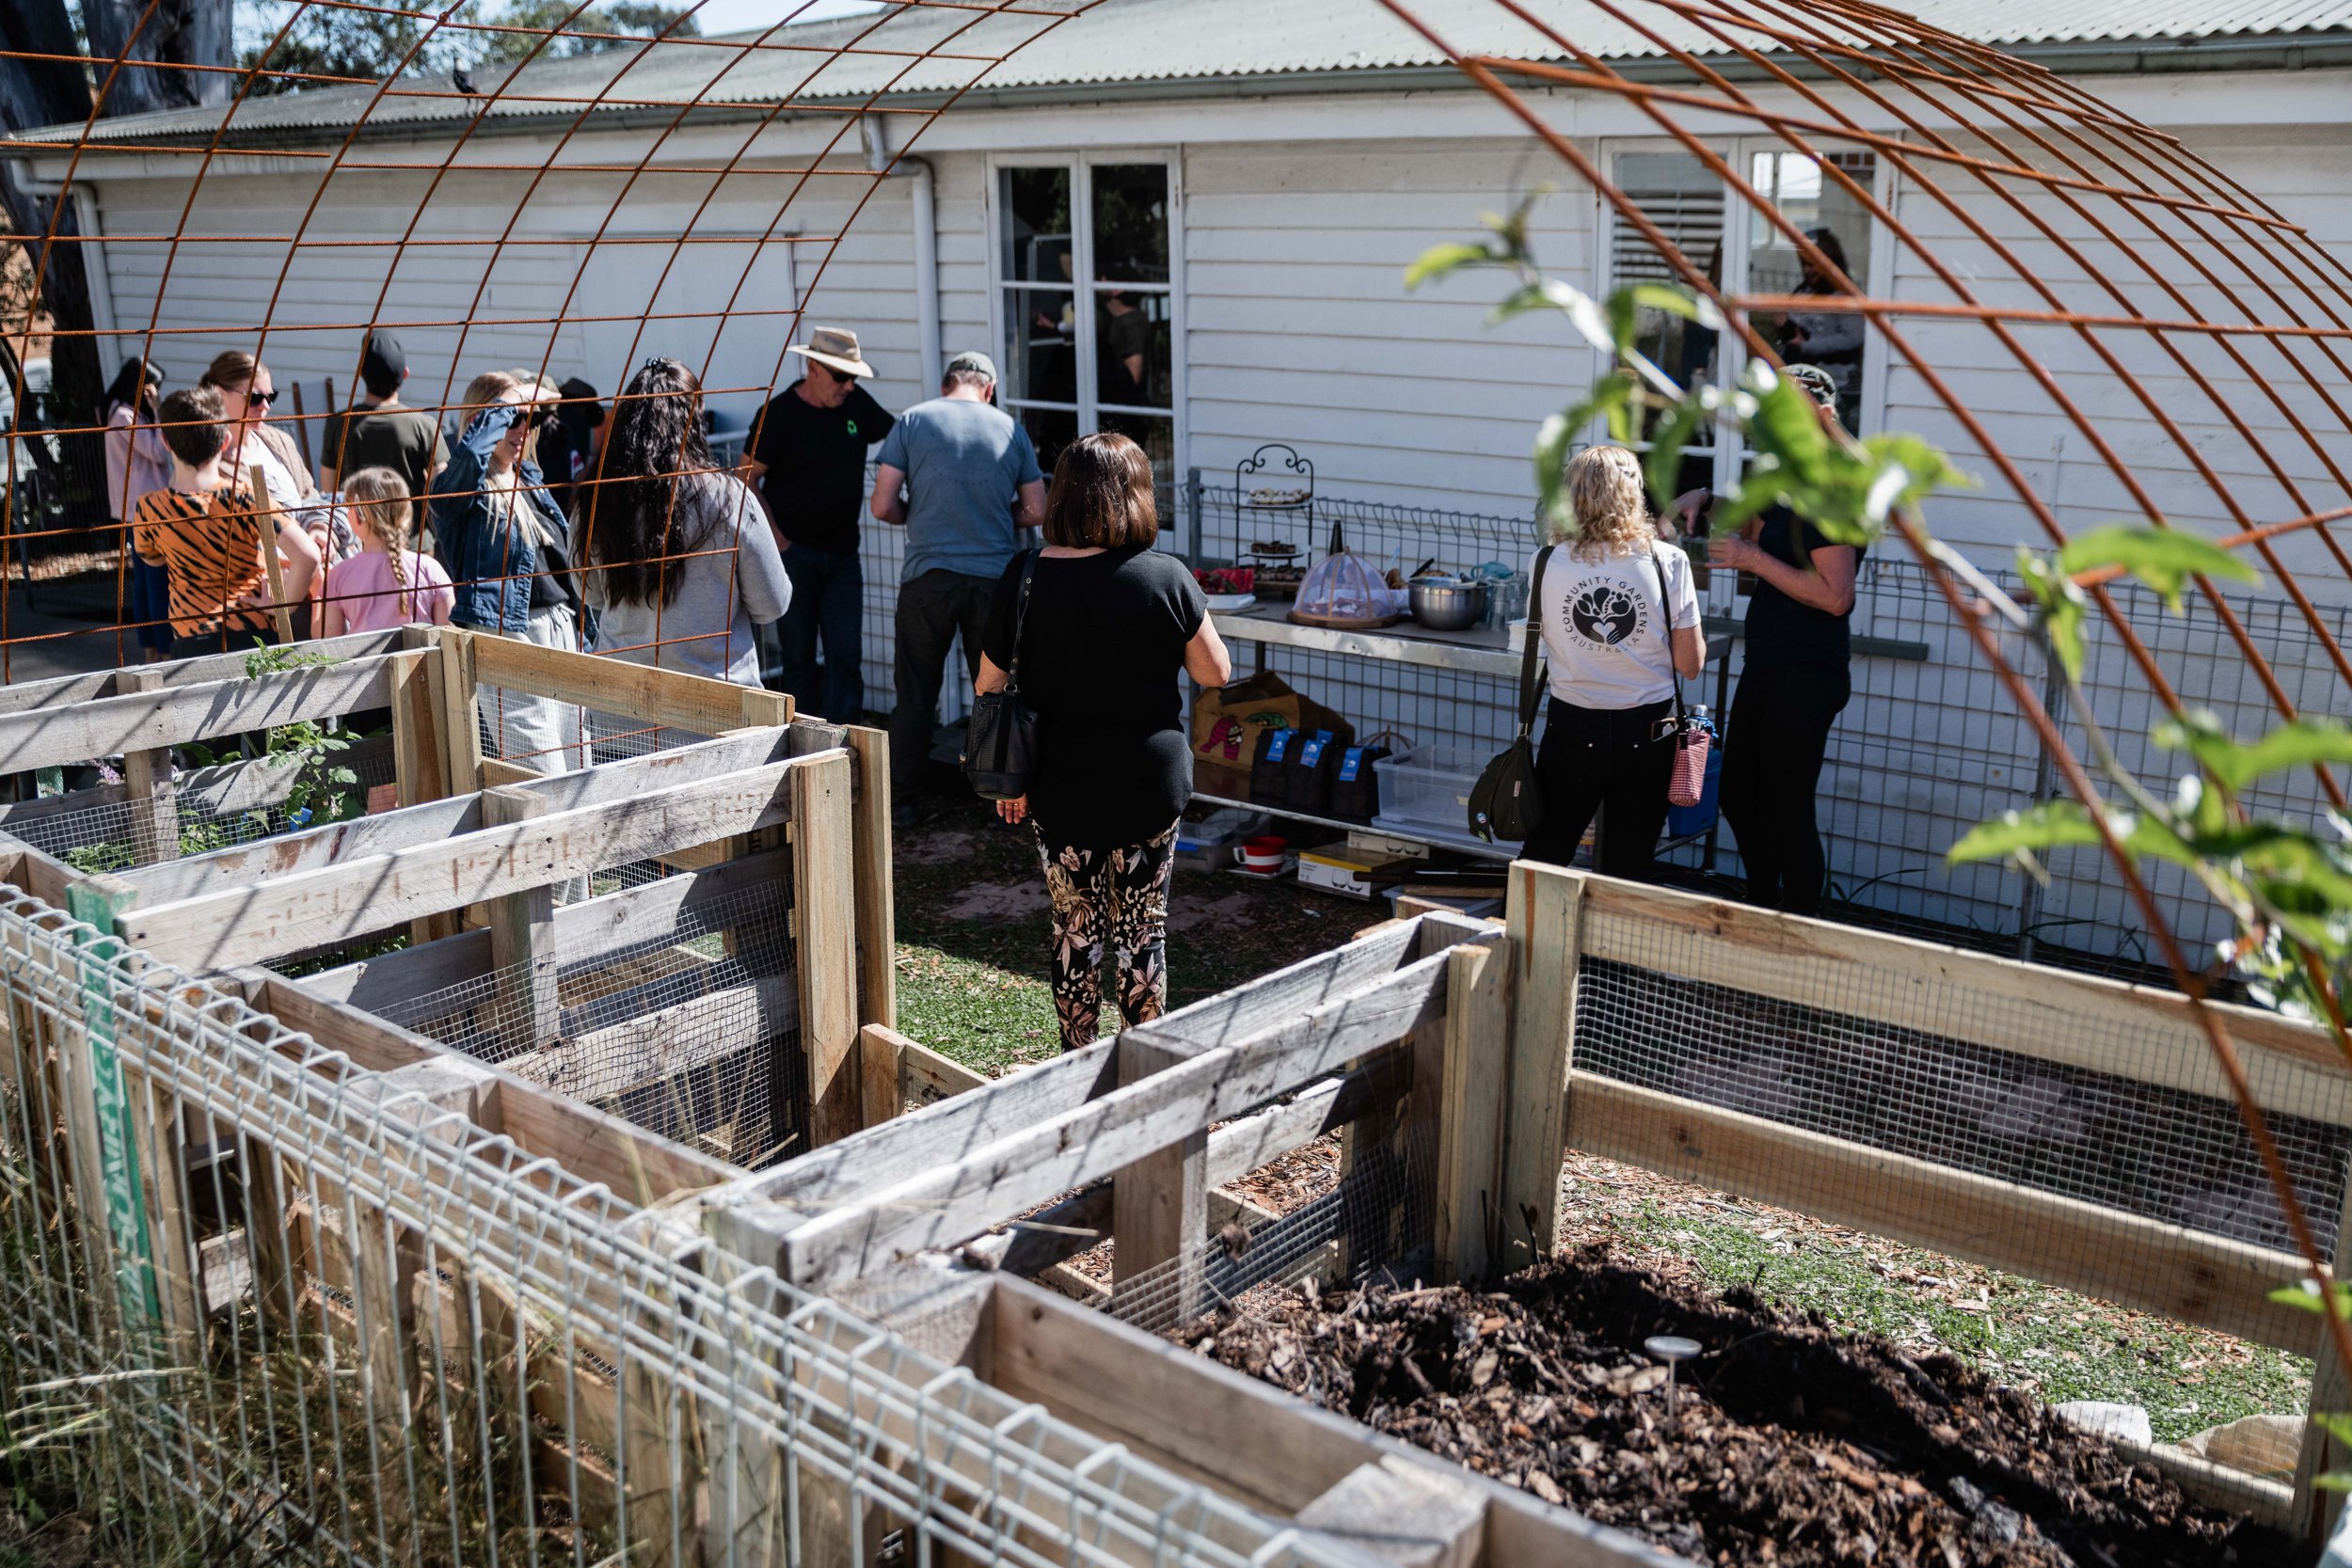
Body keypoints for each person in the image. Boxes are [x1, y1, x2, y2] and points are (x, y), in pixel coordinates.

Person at [977, 433, 1232, 1050]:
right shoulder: (1165, 577)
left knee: (1076, 931)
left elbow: (989, 684)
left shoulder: (1025, 575)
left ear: (1062, 495)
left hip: (1060, 786)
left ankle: (1077, 1069)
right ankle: (1145, 1071)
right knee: (1142, 932)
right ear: (1136, 496)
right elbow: (1215, 673)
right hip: (1148, 786)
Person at [1680, 363, 1863, 918]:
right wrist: (1705, 500)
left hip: (1806, 671)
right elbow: (1752, 524)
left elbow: (1837, 597)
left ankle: (1799, 930)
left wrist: (1752, 559)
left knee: (1788, 807)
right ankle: (1763, 904)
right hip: (1770, 663)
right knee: (1738, 794)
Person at [870, 350, 1047, 826]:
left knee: (914, 694)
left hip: (927, 579)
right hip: (993, 584)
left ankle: (904, 802)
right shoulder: (1010, 428)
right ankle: (1000, 798)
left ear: (949, 383)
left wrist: (921, 517)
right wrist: (993, 517)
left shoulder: (912, 420)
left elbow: (882, 505)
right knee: (995, 693)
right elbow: (1036, 510)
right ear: (988, 389)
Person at [1523, 443, 1705, 881]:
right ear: (1633, 493)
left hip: (1570, 725)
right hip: (1648, 730)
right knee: (1629, 864)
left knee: (1546, 853)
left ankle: (1526, 944)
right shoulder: (1669, 561)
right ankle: (1612, 952)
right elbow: (1690, 665)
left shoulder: (1545, 562)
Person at [583, 356, 788, 686]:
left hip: (621, 695)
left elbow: (590, 593)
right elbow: (772, 603)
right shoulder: (729, 498)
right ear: (695, 419)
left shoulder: (596, 495)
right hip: (718, 701)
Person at [431, 372, 583, 773]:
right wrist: (509, 401)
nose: (521, 429)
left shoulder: (529, 478)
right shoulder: (460, 490)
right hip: (509, 636)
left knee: (581, 767)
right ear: (485, 418)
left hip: (561, 631)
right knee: (545, 775)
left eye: (527, 419)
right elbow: (469, 459)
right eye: (511, 418)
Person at [745, 326, 894, 721]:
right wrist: (777, 541)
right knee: (798, 658)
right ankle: (801, 744)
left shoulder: (857, 405)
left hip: (844, 553)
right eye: (841, 377)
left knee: (846, 655)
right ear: (813, 368)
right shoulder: (778, 414)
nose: (848, 386)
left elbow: (899, 440)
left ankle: (846, 743)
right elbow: (746, 479)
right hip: (795, 554)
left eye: (854, 377)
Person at [131, 385, 283, 658]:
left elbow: (153, 561)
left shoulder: (149, 509)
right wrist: (282, 604)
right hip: (255, 634)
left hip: (191, 639)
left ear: (165, 442)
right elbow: (307, 554)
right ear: (225, 441)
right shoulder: (246, 499)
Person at [197, 350, 324, 624]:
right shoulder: (210, 465)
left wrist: (319, 530)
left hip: (313, 581)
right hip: (265, 600)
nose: (265, 406)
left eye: (271, 396)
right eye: (254, 398)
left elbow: (310, 495)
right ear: (219, 394)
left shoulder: (279, 440)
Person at [316, 330, 447, 534]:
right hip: (414, 543)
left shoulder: (338, 424)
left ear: (361, 374)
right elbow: (442, 492)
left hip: (360, 544)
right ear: (405, 373)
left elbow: (328, 492)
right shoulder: (424, 425)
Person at [321, 467, 453, 636]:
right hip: (425, 661)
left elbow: (329, 642)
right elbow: (448, 633)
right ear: (406, 512)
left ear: (358, 516)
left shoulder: (338, 575)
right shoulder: (430, 567)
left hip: (366, 662)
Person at [101, 357, 174, 658]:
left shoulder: (121, 414)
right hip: (145, 510)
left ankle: (151, 651)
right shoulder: (124, 417)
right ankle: (163, 651)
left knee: (145, 584)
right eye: (153, 390)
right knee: (155, 584)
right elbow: (158, 451)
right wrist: (159, 411)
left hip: (138, 509)